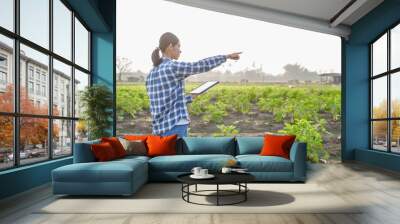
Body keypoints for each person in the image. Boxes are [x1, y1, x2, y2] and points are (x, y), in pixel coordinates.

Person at [146, 32, 241, 137]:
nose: (180, 50)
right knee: (177, 153)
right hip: (175, 126)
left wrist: (190, 97)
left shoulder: (151, 73)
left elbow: (164, 101)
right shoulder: (172, 67)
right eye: (178, 46)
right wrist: (226, 57)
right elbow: (200, 65)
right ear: (170, 46)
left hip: (159, 129)